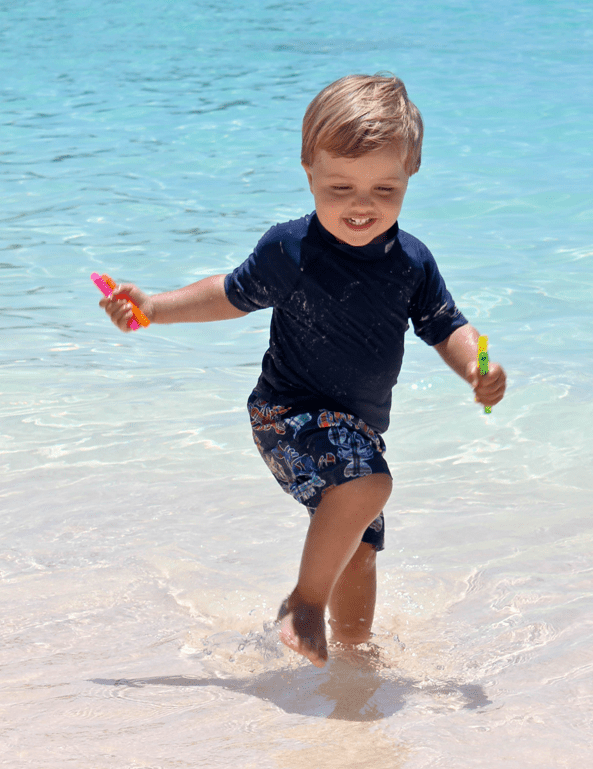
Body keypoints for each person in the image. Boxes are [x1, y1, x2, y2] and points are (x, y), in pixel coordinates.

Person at [100, 73, 507, 668]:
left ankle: (349, 659)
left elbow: (447, 325)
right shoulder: (290, 251)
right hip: (286, 414)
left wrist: (477, 369)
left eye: (384, 189)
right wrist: (155, 309)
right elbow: (230, 294)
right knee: (369, 486)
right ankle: (303, 605)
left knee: (361, 546)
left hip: (356, 431)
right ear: (307, 170)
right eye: (339, 186)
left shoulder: (412, 263)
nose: (361, 206)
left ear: (410, 176)